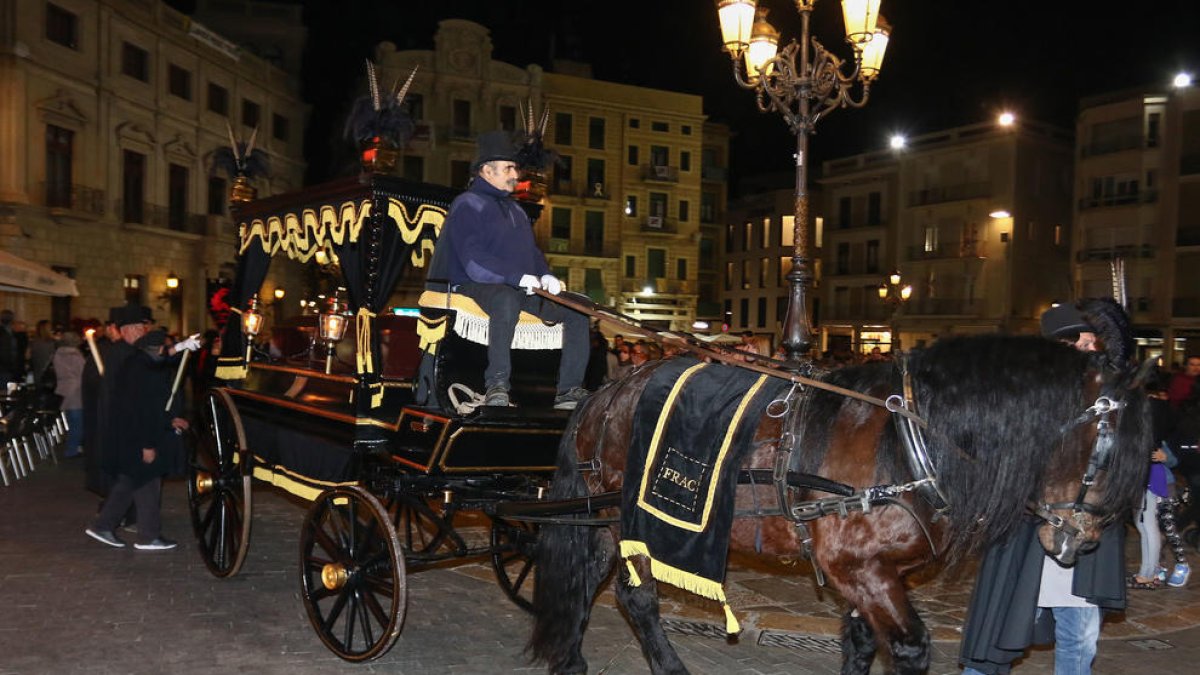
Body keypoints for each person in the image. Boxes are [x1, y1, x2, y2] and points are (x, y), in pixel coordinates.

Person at [960, 299, 1133, 675]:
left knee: (1080, 638)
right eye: (1084, 344)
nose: (1092, 351)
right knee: (998, 630)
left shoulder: (1104, 400)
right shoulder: (1025, 398)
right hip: (1026, 536)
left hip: (1087, 537)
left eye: (1094, 343)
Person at [437, 130, 589, 409]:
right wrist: (516, 278)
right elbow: (473, 260)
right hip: (475, 284)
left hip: (520, 285)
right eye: (508, 168)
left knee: (579, 307)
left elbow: (531, 253)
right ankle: (497, 385)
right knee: (506, 299)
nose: (515, 175)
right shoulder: (467, 204)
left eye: (514, 168)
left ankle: (568, 390)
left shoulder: (517, 211)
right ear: (487, 170)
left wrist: (546, 275)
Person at [85, 306, 199, 550]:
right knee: (142, 475)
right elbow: (138, 404)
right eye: (139, 327)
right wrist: (146, 442)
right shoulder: (127, 358)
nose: (142, 331)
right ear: (126, 330)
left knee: (137, 479)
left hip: (133, 430)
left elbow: (157, 358)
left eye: (144, 327)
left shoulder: (136, 356)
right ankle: (140, 533)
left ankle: (117, 527)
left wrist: (180, 347)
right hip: (132, 432)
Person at [52, 331, 86, 459]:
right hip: (77, 391)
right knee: (78, 423)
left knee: (71, 422)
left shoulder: (58, 354)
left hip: (64, 389)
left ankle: (73, 447)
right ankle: (72, 450)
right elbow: (83, 373)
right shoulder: (76, 355)